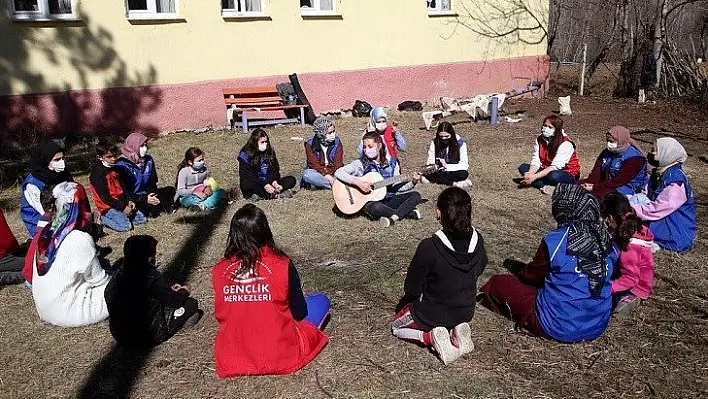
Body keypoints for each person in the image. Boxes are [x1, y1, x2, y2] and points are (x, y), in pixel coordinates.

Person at [478, 184, 618, 342]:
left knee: (498, 283)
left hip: (558, 325)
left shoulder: (556, 240)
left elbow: (531, 276)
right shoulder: (608, 240)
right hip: (597, 324)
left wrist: (521, 274)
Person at [212, 204, 330, 377]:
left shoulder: (219, 270)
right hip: (280, 353)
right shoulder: (281, 264)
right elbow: (299, 313)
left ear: (233, 234)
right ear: (265, 231)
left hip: (232, 354)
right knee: (320, 300)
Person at [392, 187, 487, 365]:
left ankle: (429, 337)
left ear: (438, 213)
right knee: (453, 318)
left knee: (397, 327)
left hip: (433, 314)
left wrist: (412, 301)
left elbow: (411, 288)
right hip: (466, 311)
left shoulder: (429, 247)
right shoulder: (478, 240)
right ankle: (456, 332)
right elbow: (481, 266)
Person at [27, 182, 111, 327]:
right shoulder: (78, 239)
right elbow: (102, 282)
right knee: (126, 285)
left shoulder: (47, 231)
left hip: (46, 309)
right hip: (69, 313)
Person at [105, 235, 203, 347]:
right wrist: (184, 291)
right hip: (148, 336)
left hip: (120, 336)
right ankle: (178, 321)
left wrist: (166, 290)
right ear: (148, 257)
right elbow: (174, 301)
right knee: (191, 304)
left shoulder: (118, 274)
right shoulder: (151, 276)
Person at [334, 131, 423, 227]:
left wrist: (413, 182)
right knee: (376, 208)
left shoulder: (392, 164)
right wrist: (358, 183)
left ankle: (393, 217)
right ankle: (408, 214)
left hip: (387, 199)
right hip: (369, 203)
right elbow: (339, 172)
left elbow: (396, 188)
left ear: (379, 146)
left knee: (416, 195)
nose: (366, 149)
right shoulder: (360, 164)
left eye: (370, 146)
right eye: (364, 147)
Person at [630, 137, 695, 252]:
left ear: (667, 154)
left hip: (675, 233)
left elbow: (657, 209)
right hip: (661, 220)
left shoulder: (676, 183)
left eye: (654, 150)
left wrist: (632, 210)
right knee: (635, 199)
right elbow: (646, 194)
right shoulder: (660, 174)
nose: (650, 153)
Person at [601, 193, 655, 315]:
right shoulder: (627, 226)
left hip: (637, 284)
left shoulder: (630, 244)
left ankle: (633, 298)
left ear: (610, 218)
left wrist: (609, 288)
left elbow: (631, 278)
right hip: (622, 270)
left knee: (617, 306)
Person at [90, 140, 147, 232]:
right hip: (108, 206)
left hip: (121, 202)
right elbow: (105, 198)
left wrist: (129, 200)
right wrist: (123, 208)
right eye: (109, 157)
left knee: (142, 220)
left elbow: (123, 188)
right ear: (100, 157)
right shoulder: (97, 174)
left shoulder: (116, 168)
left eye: (114, 155)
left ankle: (123, 217)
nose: (113, 159)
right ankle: (101, 218)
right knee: (126, 227)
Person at [116, 132, 176, 218]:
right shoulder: (122, 165)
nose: (145, 148)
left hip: (146, 194)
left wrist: (151, 195)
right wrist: (144, 199)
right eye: (141, 146)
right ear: (133, 146)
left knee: (170, 190)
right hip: (132, 198)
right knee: (145, 210)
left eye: (146, 145)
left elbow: (153, 182)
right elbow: (124, 191)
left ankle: (158, 207)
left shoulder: (149, 160)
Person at [516, 116, 581, 194]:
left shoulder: (565, 143)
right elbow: (536, 159)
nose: (546, 129)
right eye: (545, 126)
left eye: (550, 127)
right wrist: (530, 173)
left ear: (557, 129)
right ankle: (545, 186)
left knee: (553, 176)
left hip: (565, 172)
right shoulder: (540, 139)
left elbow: (556, 166)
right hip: (546, 168)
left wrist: (535, 176)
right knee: (523, 167)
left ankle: (566, 186)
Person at [20, 141, 73, 237]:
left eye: (63, 158)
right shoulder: (33, 184)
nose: (62, 162)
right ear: (44, 160)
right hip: (41, 221)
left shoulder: (62, 173)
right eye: (57, 160)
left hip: (63, 212)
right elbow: (44, 211)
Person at [580, 126, 648, 198]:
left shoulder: (635, 158)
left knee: (599, 196)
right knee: (578, 187)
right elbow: (597, 171)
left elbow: (620, 180)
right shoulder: (607, 152)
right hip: (607, 184)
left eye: (612, 141)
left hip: (626, 188)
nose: (609, 143)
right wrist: (589, 183)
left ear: (621, 140)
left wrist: (595, 187)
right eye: (608, 141)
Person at [238, 128, 297, 200]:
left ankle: (264, 195)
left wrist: (274, 182)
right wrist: (264, 185)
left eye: (266, 142)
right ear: (254, 142)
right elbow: (248, 176)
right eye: (262, 142)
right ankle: (275, 195)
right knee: (247, 185)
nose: (265, 144)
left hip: (269, 181)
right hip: (255, 183)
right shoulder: (245, 155)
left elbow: (275, 170)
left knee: (291, 180)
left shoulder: (269, 152)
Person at [421, 121, 472, 189]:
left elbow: (464, 165)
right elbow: (430, 160)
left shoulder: (460, 144)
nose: (443, 139)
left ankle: (439, 180)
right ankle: (454, 183)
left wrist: (446, 166)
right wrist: (434, 167)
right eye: (441, 136)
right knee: (426, 174)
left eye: (446, 136)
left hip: (453, 170)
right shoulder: (435, 142)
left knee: (463, 174)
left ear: (452, 134)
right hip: (439, 171)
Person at [301, 117, 344, 190]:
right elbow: (314, 165)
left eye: (334, 131)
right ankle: (338, 186)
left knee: (352, 170)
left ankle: (331, 184)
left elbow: (338, 163)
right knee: (307, 174)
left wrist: (337, 175)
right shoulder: (310, 144)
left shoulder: (337, 142)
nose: (333, 134)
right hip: (319, 172)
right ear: (321, 133)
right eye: (330, 133)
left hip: (334, 172)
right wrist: (327, 175)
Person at [0, 209, 26, 286]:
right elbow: (8, 243)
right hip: (4, 256)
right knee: (33, 263)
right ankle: (25, 275)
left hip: (5, 254)